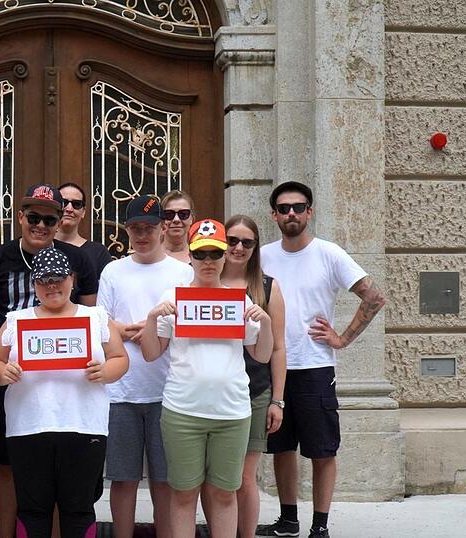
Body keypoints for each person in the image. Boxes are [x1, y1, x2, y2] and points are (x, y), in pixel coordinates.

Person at [0, 183, 100, 538]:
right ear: (19, 217)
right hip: (14, 381)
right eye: (33, 217)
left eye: (49, 218)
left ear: (60, 222)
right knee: (9, 466)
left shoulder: (77, 261)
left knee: (62, 474)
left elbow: (91, 318)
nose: (40, 225)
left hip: (68, 385)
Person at [257, 182, 385, 538]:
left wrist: (342, 338)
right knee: (281, 448)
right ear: (274, 215)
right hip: (273, 367)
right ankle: (288, 520)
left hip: (314, 366)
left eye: (299, 207)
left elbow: (373, 296)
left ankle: (320, 525)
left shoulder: (329, 254)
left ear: (310, 212)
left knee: (322, 450)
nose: (291, 214)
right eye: (284, 209)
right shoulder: (263, 255)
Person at [140, 219, 273, 538]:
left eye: (215, 253)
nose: (209, 261)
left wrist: (264, 321)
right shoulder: (173, 297)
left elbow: (262, 355)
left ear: (226, 254)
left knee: (225, 494)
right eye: (201, 254)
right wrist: (151, 317)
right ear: (190, 255)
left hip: (231, 412)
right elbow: (150, 353)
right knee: (184, 494)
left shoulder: (240, 300)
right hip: (183, 411)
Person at [0, 247, 128, 537]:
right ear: (34, 284)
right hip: (29, 428)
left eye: (58, 278)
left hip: (83, 426)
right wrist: (3, 372)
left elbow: (120, 358)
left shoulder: (96, 317)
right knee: (32, 510)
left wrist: (106, 372)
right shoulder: (17, 320)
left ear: (72, 280)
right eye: (43, 280)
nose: (52, 285)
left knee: (79, 510)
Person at [97, 195, 193, 538]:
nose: (142, 235)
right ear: (126, 229)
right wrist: (136, 329)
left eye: (149, 228)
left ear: (162, 228)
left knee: (165, 479)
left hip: (169, 390)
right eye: (135, 228)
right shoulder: (113, 270)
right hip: (121, 389)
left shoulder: (183, 272)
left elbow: (189, 323)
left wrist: (149, 329)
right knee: (122, 479)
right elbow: (101, 323)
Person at [219, 215, 287, 538]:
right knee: (218, 479)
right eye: (232, 240)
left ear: (255, 247)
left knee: (245, 478)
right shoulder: (206, 281)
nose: (238, 247)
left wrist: (278, 400)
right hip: (213, 394)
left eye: (247, 242)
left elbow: (278, 348)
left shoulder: (268, 287)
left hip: (255, 392)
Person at [56, 182, 112, 274]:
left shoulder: (98, 252)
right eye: (63, 203)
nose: (69, 209)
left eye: (77, 204)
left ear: (83, 212)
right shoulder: (39, 246)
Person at [160, 190, 196, 264]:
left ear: (191, 218)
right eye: (169, 214)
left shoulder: (200, 256)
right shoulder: (149, 257)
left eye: (183, 214)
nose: (176, 220)